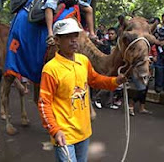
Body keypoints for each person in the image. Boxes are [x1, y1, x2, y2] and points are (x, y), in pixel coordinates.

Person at [38, 18, 126, 162]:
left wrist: (115, 81)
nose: (73, 40)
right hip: (64, 134)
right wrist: (55, 130)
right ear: (57, 40)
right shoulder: (50, 69)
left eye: (75, 36)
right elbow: (44, 103)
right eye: (67, 37)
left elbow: (95, 80)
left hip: (84, 131)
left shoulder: (83, 60)